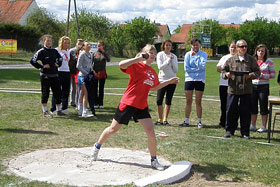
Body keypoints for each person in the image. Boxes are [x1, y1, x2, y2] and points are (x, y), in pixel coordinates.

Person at [90, 44, 179, 170]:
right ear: (144, 53)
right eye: (150, 52)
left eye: (154, 53)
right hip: (129, 102)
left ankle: (154, 160)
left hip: (141, 105)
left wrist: (169, 82)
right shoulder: (136, 65)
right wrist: (138, 58)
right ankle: (97, 146)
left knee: (150, 131)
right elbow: (121, 64)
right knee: (113, 129)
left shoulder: (152, 72)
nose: (152, 55)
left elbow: (153, 87)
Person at [222, 39, 260, 139]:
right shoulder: (230, 60)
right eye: (242, 46)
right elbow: (223, 71)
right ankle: (229, 130)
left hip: (246, 90)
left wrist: (251, 75)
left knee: (245, 112)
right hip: (233, 89)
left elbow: (257, 72)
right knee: (230, 111)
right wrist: (226, 74)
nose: (244, 48)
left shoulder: (251, 60)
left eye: (245, 46)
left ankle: (245, 132)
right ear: (237, 48)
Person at [30, 34, 64, 118]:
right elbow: (32, 60)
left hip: (55, 75)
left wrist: (58, 64)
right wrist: (42, 66)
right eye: (47, 40)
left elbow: (60, 59)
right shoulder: (41, 51)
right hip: (45, 76)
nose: (49, 42)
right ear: (43, 41)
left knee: (58, 93)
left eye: (50, 41)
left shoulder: (54, 51)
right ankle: (45, 111)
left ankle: (58, 110)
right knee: (45, 93)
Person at [180, 38, 207, 128]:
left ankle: (199, 121)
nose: (195, 46)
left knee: (198, 101)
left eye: (197, 44)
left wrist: (195, 57)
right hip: (189, 79)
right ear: (191, 45)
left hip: (200, 80)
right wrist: (195, 68)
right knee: (188, 101)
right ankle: (186, 120)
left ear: (200, 45)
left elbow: (202, 67)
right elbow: (186, 68)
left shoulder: (204, 54)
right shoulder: (187, 54)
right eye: (194, 45)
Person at [250, 44, 275, 133]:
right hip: (253, 85)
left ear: (265, 52)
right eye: (259, 51)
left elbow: (273, 75)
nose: (260, 52)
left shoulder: (269, 62)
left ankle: (263, 126)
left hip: (263, 86)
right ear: (256, 51)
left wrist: (262, 75)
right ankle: (252, 125)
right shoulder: (253, 61)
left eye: (262, 51)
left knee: (263, 106)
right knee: (253, 106)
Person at [154, 39, 178, 125]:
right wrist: (168, 60)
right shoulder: (160, 55)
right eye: (166, 45)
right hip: (162, 80)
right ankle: (159, 119)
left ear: (172, 47)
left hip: (172, 80)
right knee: (159, 100)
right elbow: (160, 67)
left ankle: (165, 119)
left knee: (168, 100)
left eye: (170, 45)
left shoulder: (174, 56)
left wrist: (172, 62)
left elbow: (176, 70)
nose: (168, 47)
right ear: (163, 46)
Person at [216, 41, 237, 128]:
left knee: (233, 105)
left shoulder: (239, 58)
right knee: (224, 104)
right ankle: (223, 122)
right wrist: (225, 71)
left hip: (234, 85)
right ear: (229, 48)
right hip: (224, 84)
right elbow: (218, 68)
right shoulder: (224, 57)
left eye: (235, 47)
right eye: (231, 47)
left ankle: (233, 123)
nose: (233, 49)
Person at [50, 36, 72, 115]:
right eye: (65, 42)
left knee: (66, 90)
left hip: (67, 71)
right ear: (61, 42)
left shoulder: (68, 51)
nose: (66, 44)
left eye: (68, 43)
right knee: (57, 91)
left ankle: (64, 107)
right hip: (59, 72)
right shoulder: (56, 50)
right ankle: (53, 108)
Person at [76, 41, 95, 117]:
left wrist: (92, 71)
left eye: (90, 45)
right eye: (87, 45)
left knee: (82, 93)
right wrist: (86, 73)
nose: (89, 46)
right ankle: (84, 111)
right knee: (85, 93)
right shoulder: (82, 54)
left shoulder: (90, 54)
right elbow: (78, 66)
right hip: (82, 76)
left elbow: (90, 65)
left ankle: (80, 110)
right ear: (83, 47)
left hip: (88, 76)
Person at [92, 41, 110, 109]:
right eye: (98, 46)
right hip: (95, 72)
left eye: (100, 45)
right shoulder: (94, 53)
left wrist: (103, 52)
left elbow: (108, 60)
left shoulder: (105, 53)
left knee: (101, 89)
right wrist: (93, 71)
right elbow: (91, 63)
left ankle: (101, 103)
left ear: (103, 46)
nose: (99, 47)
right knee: (95, 88)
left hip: (102, 72)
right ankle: (95, 103)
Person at [69, 39, 84, 108]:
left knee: (79, 88)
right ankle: (72, 102)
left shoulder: (83, 51)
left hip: (79, 72)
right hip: (72, 71)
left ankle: (78, 102)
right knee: (73, 87)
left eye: (81, 44)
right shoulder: (71, 51)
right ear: (76, 43)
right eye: (79, 43)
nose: (80, 45)